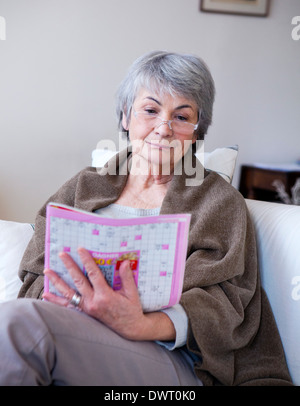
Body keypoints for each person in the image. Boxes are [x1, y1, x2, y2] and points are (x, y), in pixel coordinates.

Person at [0, 51, 292, 386]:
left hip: (173, 358)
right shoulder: (84, 186)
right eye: (150, 110)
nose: (164, 130)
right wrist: (74, 300)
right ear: (126, 117)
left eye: (181, 117)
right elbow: (35, 272)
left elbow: (227, 302)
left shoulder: (219, 201)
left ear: (197, 131)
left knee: (16, 326)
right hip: (75, 331)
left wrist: (141, 323)